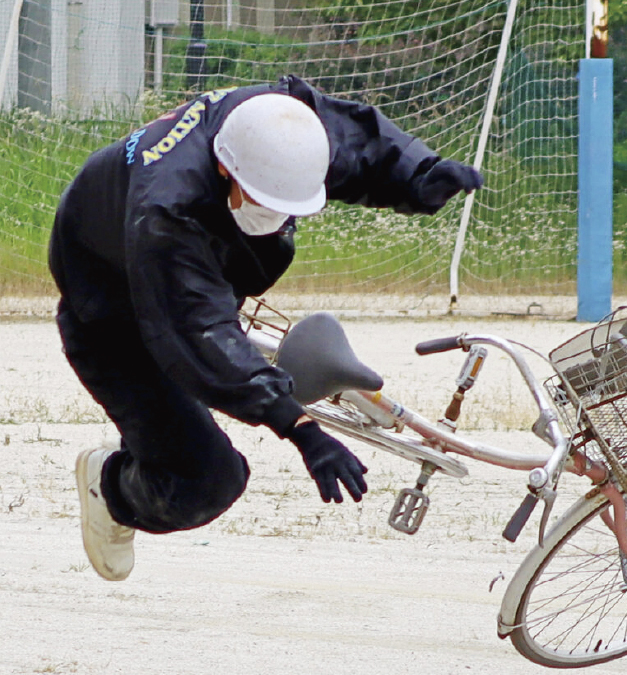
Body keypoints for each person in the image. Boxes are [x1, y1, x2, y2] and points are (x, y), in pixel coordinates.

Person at [50, 75, 483, 583]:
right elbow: (198, 331)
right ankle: (112, 486)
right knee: (207, 483)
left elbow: (354, 142)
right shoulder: (168, 213)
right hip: (111, 313)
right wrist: (300, 428)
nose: (277, 217)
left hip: (191, 272)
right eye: (262, 201)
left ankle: (160, 439)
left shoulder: (276, 120)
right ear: (222, 168)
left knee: (228, 302)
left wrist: (420, 174)